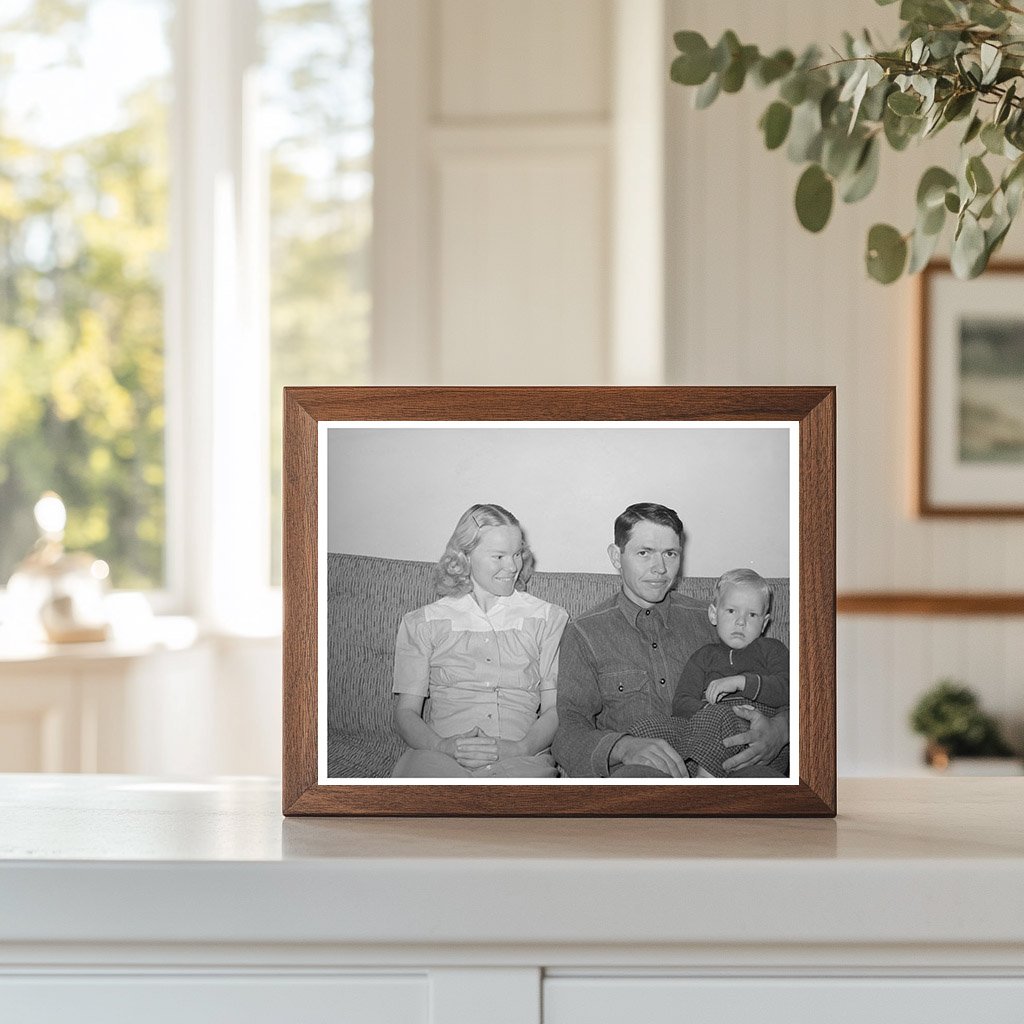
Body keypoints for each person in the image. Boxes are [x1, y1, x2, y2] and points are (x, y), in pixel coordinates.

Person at [551, 502, 789, 778]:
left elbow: (785, 684)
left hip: (730, 765)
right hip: (641, 772)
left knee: (768, 788)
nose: (660, 568)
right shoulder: (584, 633)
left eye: (670, 554)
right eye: (644, 553)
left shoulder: (719, 620)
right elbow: (568, 731)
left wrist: (781, 730)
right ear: (617, 556)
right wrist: (623, 747)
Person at [391, 503, 569, 778]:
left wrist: (520, 748)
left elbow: (554, 709)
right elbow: (406, 713)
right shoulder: (422, 623)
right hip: (439, 759)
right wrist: (441, 746)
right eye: (498, 556)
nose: (512, 566)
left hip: (520, 759)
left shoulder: (548, 619)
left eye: (517, 553)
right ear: (464, 557)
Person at [669, 568, 790, 778]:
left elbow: (788, 690)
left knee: (719, 716)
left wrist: (742, 683)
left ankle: (704, 784)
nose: (741, 622)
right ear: (714, 614)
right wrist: (709, 710)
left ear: (764, 622)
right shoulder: (704, 656)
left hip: (758, 740)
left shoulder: (773, 649)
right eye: (732, 611)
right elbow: (681, 703)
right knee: (648, 727)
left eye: (752, 615)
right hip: (706, 731)